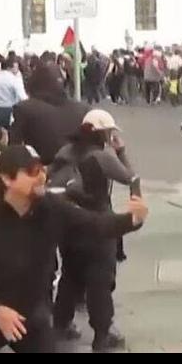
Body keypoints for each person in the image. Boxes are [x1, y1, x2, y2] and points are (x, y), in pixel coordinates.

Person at [0, 144, 147, 353]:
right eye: (32, 172)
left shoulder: (51, 208)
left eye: (42, 169)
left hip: (31, 315)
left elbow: (93, 224)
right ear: (7, 178)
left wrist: (132, 219)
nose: (42, 177)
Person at [49, 110, 140, 351]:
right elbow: (132, 178)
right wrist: (121, 152)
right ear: (103, 133)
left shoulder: (64, 152)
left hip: (69, 226)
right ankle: (102, 335)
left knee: (71, 276)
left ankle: (61, 324)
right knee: (100, 281)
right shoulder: (102, 157)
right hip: (99, 226)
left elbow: (51, 181)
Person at [9, 65, 91, 167]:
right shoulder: (83, 109)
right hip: (78, 170)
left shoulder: (24, 108)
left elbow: (14, 146)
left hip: (41, 171)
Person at [0, 57, 27, 132]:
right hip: (10, 111)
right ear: (9, 68)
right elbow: (23, 97)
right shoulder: (15, 79)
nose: (17, 70)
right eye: (16, 68)